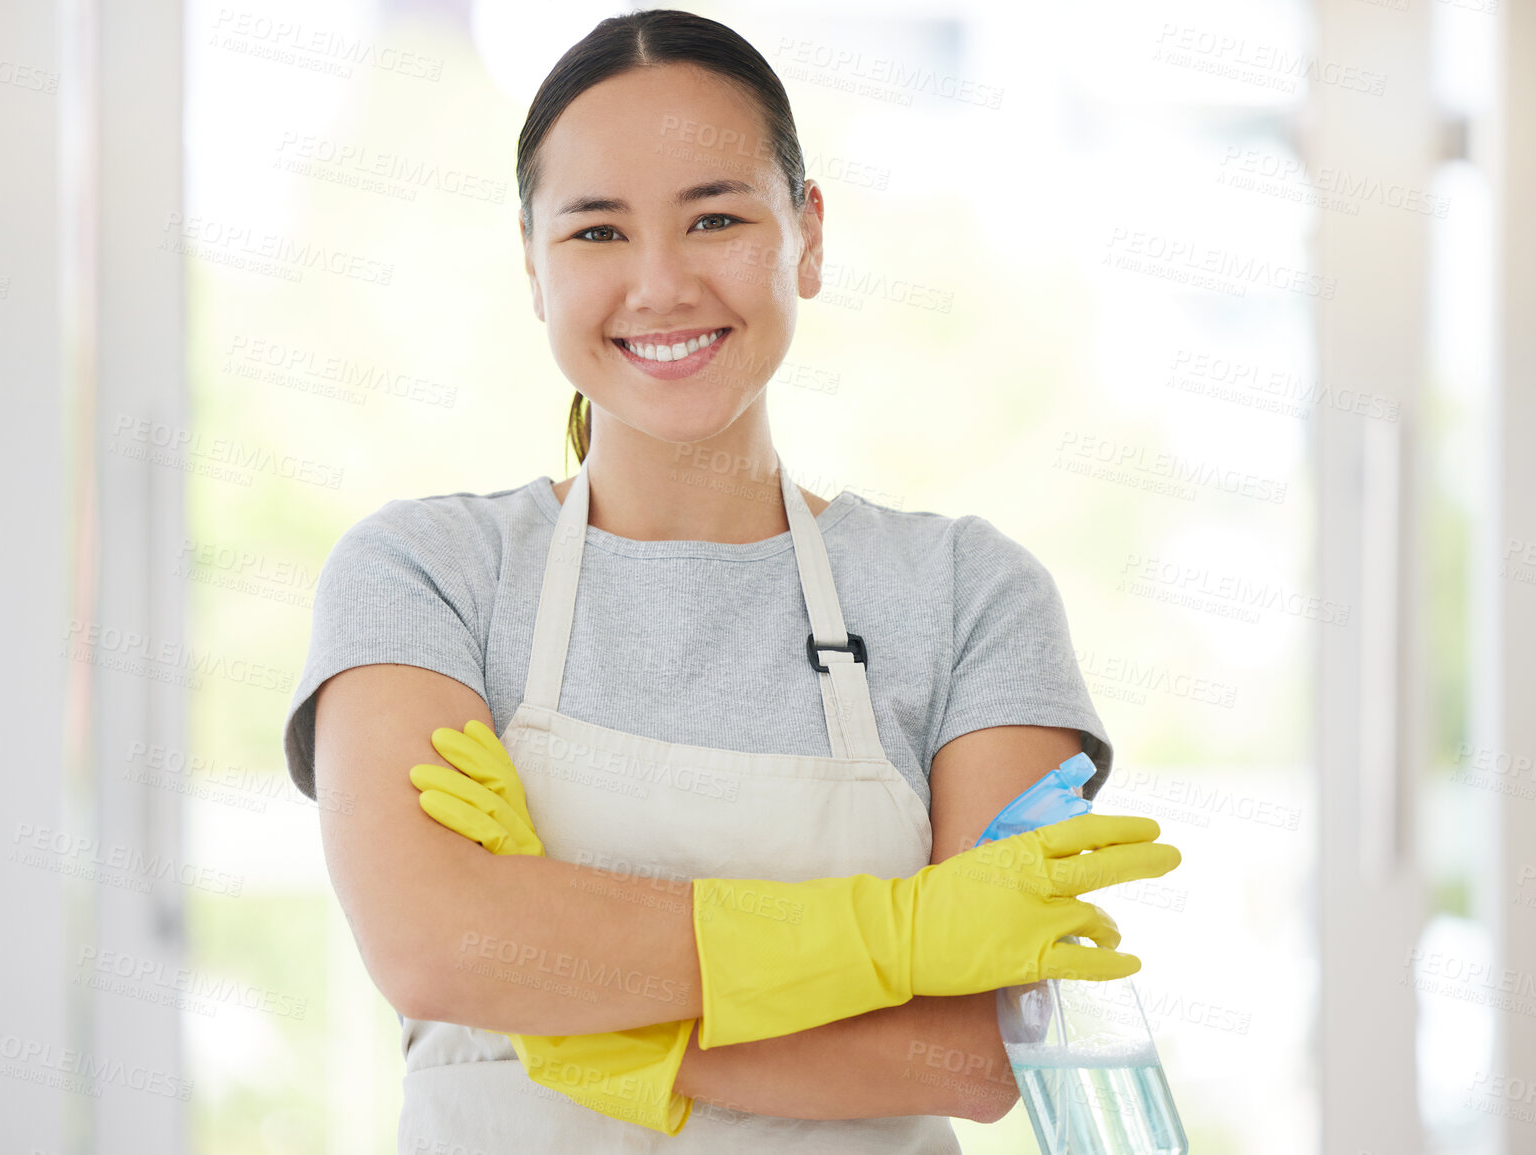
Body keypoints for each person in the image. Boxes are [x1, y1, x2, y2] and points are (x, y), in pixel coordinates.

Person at [282, 9, 1180, 1152]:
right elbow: (434, 945)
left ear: (807, 235)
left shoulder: (968, 595)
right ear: (530, 262)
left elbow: (971, 1051)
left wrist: (601, 1035)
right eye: (597, 233)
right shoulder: (428, 577)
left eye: (715, 217)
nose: (659, 286)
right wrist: (901, 935)